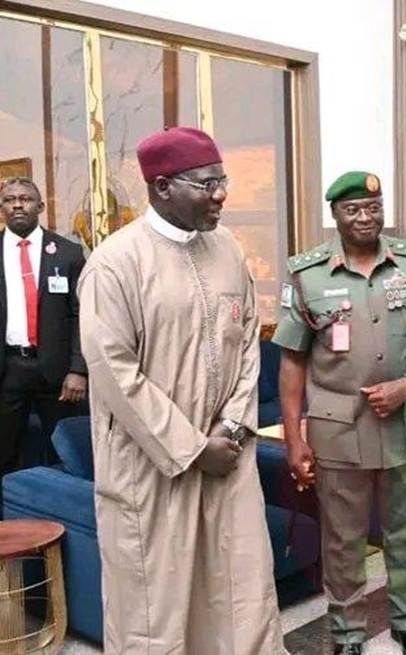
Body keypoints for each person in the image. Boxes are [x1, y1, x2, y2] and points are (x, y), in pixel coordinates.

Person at [78, 127, 283, 654]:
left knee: (240, 597)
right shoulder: (115, 264)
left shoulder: (229, 249)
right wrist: (193, 449)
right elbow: (114, 373)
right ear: (163, 186)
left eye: (222, 180)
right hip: (152, 469)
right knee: (155, 612)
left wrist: (233, 427)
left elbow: (248, 343)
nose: (221, 194)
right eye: (206, 183)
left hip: (228, 457)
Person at [273, 171, 406, 655]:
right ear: (334, 215)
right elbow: (292, 362)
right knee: (343, 540)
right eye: (352, 209)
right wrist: (294, 438)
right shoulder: (307, 274)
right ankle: (348, 633)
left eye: (373, 208)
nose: (364, 217)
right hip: (339, 432)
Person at [0, 177, 86, 488]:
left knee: (65, 453)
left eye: (25, 199)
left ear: (40, 206)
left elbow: (82, 315)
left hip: (59, 372)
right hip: (8, 368)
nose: (17, 205)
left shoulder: (68, 252)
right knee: (5, 453)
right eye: (9, 200)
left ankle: (62, 511)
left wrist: (79, 369)